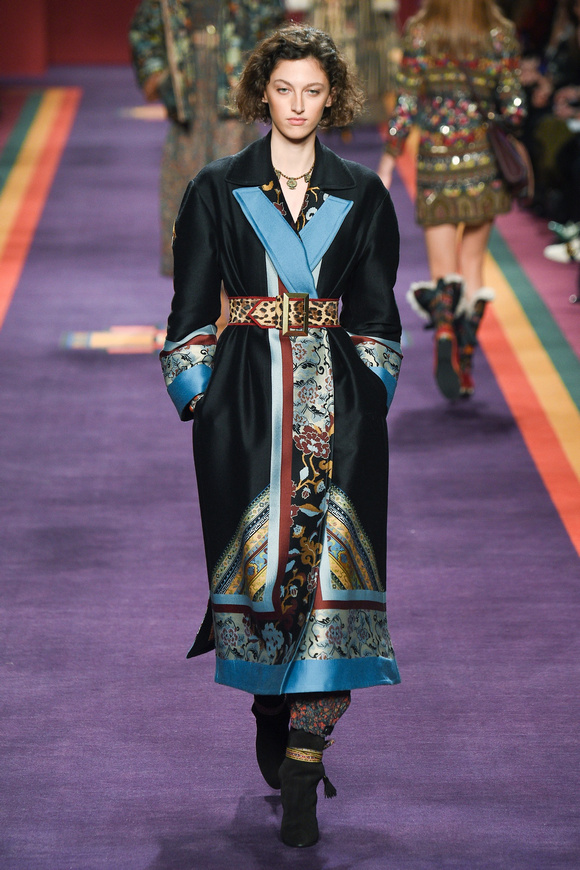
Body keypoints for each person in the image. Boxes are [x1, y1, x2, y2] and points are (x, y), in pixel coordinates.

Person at [160, 23, 402, 847]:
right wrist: (201, 402)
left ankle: (305, 758)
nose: (298, 105)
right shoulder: (215, 187)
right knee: (264, 586)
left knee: (335, 587)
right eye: (284, 89)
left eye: (313, 91)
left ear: (332, 98)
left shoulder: (364, 192)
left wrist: (369, 401)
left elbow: (377, 317)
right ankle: (272, 704)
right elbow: (189, 314)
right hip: (243, 414)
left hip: (342, 417)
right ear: (262, 93)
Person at [378, 0, 526, 399]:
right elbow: (515, 109)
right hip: (482, 161)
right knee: (473, 264)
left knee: (443, 268)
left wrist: (390, 156)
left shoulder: (421, 31)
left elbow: (406, 103)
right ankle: (466, 358)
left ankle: (444, 329)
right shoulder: (498, 33)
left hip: (436, 161)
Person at [129, 0, 285, 276]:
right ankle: (195, 284)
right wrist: (160, 77)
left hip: (235, 83)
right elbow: (144, 28)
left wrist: (264, 72)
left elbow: (273, 22)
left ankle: (237, 281)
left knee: (237, 181)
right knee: (187, 181)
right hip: (187, 87)